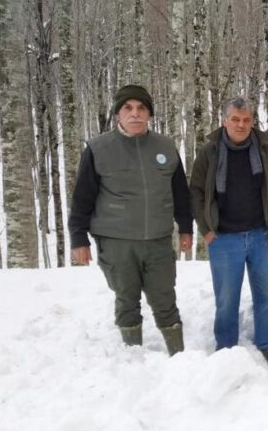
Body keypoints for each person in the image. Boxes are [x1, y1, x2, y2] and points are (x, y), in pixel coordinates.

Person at [68, 84, 192, 356]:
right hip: (117, 242)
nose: (135, 114)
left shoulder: (166, 147)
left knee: (165, 298)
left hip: (158, 240)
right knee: (126, 299)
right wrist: (78, 238)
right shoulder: (99, 148)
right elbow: (82, 198)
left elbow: (180, 193)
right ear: (118, 114)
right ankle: (132, 359)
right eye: (128, 108)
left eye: (141, 108)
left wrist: (185, 228)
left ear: (149, 113)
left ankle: (180, 359)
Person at [189, 97, 268, 367]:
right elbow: (196, 193)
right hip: (223, 238)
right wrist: (207, 230)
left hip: (262, 235)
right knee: (226, 299)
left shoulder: (266, 148)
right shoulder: (209, 151)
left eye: (246, 120)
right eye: (235, 119)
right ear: (224, 120)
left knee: (265, 294)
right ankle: (226, 347)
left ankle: (266, 342)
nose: (241, 125)